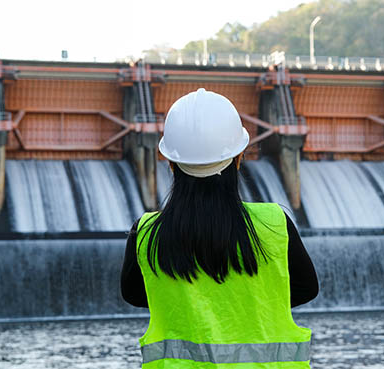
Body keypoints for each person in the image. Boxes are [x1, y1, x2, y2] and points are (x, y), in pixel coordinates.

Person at [121, 88, 318, 368]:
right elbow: (306, 289)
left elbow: (136, 295)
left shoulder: (146, 235)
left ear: (171, 163)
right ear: (238, 159)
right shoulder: (275, 225)